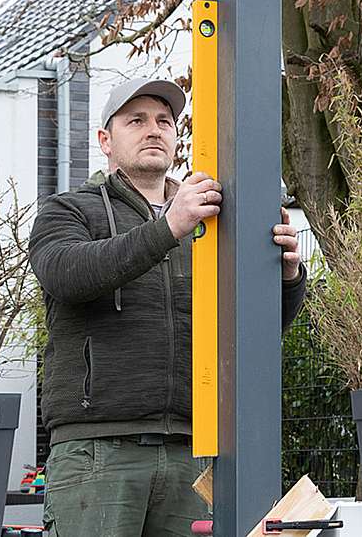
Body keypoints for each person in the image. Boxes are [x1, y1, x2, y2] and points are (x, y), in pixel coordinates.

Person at [29, 78, 307, 537]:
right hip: (97, 452)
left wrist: (286, 278)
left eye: (164, 121)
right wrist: (169, 227)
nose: (152, 130)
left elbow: (255, 332)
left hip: (190, 451)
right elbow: (67, 274)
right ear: (105, 140)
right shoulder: (69, 211)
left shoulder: (212, 227)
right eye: (135, 120)